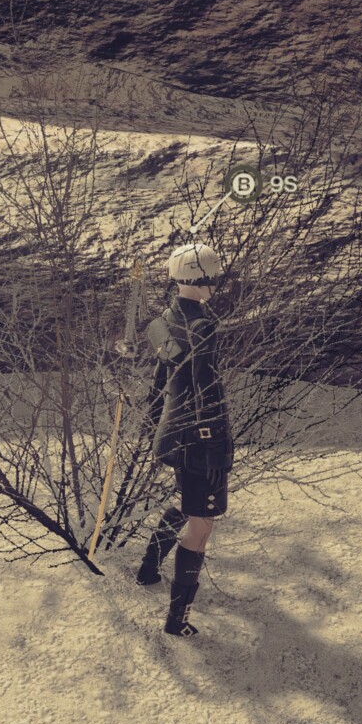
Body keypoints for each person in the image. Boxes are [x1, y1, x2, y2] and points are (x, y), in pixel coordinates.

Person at [133, 244, 240, 636]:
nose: (217, 284)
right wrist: (213, 448)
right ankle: (177, 621)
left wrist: (151, 422)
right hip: (198, 441)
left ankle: (147, 570)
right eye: (214, 277)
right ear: (201, 278)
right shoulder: (201, 327)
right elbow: (204, 391)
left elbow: (160, 383)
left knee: (184, 501)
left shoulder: (164, 321)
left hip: (173, 435)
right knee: (201, 526)